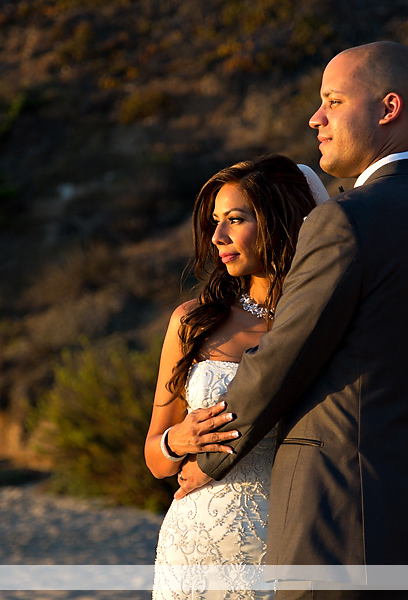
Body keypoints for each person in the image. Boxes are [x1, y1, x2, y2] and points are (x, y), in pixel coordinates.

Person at [175, 41, 408, 600]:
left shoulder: (347, 222)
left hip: (346, 533)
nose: (315, 118)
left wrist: (210, 458)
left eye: (333, 101)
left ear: (388, 109)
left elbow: (281, 360)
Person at [145, 154, 327, 599]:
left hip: (284, 541)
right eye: (214, 222)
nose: (218, 236)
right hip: (192, 547)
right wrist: (177, 442)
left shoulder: (322, 322)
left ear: (276, 221)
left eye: (235, 219)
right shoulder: (192, 323)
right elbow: (154, 456)